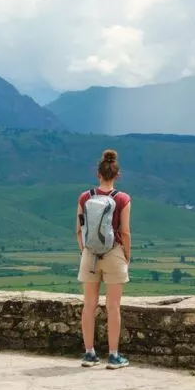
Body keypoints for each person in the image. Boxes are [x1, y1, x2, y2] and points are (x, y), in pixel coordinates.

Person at [76, 148, 132, 369]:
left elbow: (79, 230)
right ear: (117, 175)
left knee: (89, 305)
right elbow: (125, 232)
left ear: (97, 174)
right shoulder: (123, 199)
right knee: (113, 306)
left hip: (90, 254)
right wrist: (127, 255)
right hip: (113, 252)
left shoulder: (84, 197)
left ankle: (89, 354)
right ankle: (114, 355)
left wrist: (85, 252)